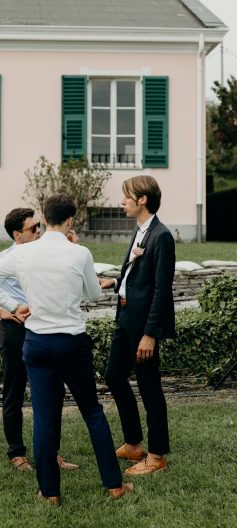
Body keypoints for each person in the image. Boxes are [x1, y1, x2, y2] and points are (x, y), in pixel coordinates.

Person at [0, 194, 133, 505]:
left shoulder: (24, 253)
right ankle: (114, 485)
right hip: (72, 343)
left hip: (38, 343)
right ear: (70, 220)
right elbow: (93, 294)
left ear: (45, 219)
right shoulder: (80, 253)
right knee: (92, 412)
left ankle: (50, 493)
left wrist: (14, 305)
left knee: (44, 417)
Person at [0, 207, 78, 473]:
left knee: (52, 392)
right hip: (15, 332)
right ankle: (17, 453)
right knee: (14, 392)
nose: (40, 231)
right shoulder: (5, 258)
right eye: (34, 228)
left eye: (40, 226)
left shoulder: (45, 254)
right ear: (17, 235)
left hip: (45, 329)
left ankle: (51, 453)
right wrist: (1, 310)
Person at [101, 175, 175, 476]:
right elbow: (139, 278)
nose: (122, 202)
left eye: (126, 196)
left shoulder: (161, 236)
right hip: (125, 319)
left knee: (150, 387)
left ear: (142, 199)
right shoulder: (141, 231)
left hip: (143, 326)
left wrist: (150, 334)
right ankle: (133, 444)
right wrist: (116, 282)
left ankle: (156, 455)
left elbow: (161, 289)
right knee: (113, 376)